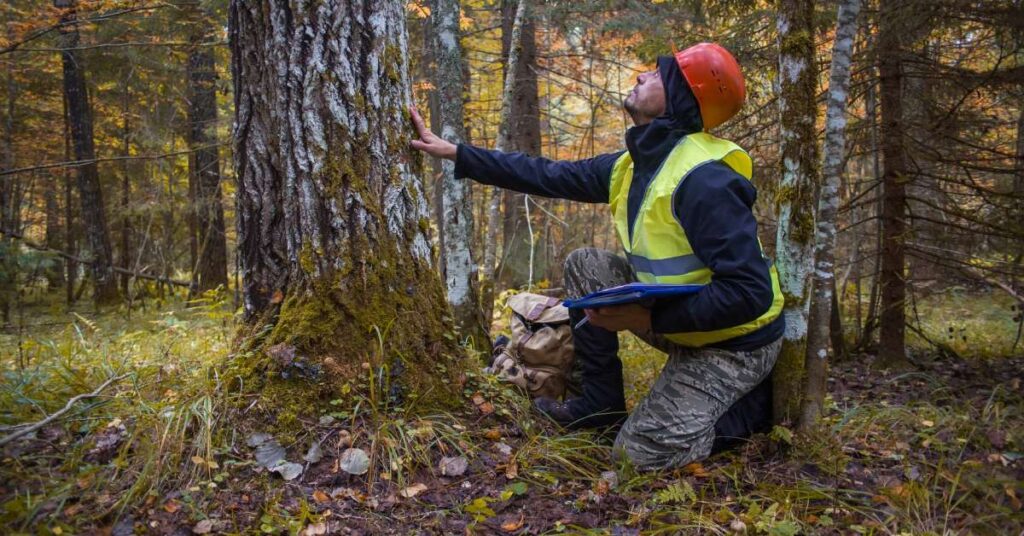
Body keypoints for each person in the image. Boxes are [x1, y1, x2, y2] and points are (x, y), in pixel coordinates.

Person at [410, 43, 785, 471]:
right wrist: (457, 153)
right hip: (684, 322)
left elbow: (749, 294)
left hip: (734, 343)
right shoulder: (634, 165)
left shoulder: (705, 182)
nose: (643, 75)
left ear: (682, 101)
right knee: (586, 264)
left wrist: (646, 320)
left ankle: (750, 414)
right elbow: (547, 174)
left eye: (660, 75)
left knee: (637, 456)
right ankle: (600, 405)